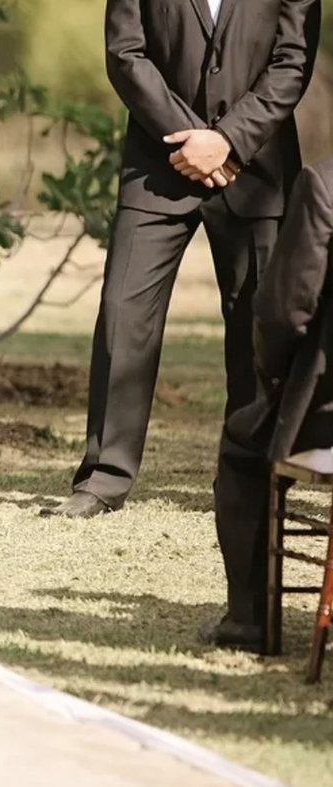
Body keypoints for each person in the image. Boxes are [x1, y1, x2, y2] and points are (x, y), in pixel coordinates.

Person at [40, 0, 322, 519]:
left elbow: (294, 59)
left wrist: (229, 140)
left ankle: (249, 480)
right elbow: (125, 52)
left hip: (256, 170)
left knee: (258, 331)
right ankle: (103, 478)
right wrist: (191, 141)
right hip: (158, 163)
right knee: (123, 314)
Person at [202, 160, 333, 650]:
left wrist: (272, 371)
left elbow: (284, 312)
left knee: (244, 441)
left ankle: (249, 621)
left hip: (328, 420)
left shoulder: (325, 183)